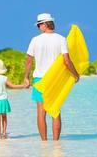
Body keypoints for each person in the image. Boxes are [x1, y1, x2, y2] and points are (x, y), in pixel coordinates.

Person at [24, 13, 80, 141]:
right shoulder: (61, 39)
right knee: (56, 111)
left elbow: (28, 61)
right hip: (55, 80)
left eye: (39, 25)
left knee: (41, 112)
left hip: (40, 79)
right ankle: (56, 144)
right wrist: (75, 75)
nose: (38, 27)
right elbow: (67, 61)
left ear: (44, 24)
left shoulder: (35, 40)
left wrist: (26, 78)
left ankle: (44, 143)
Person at [0, 59, 26, 139]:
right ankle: (4, 133)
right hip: (3, 100)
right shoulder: (4, 78)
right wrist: (23, 85)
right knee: (4, 117)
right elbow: (12, 86)